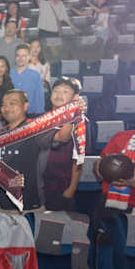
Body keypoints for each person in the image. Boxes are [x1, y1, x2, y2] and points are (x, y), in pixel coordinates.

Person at [0, 90, 46, 211]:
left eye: (12, 103)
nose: (7, 107)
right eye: (3, 104)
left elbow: (61, 137)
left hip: (27, 203)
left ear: (25, 106)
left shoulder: (35, 129)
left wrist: (72, 112)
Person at [43, 78, 86, 211]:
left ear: (75, 97)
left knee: (53, 228)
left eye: (65, 92)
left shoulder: (81, 123)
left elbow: (79, 159)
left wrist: (71, 188)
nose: (59, 95)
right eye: (56, 90)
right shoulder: (40, 120)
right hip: (38, 184)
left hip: (61, 186)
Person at [9, 45, 45, 115]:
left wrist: (39, 115)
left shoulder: (35, 75)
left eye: (24, 56)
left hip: (30, 114)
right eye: (18, 55)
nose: (20, 58)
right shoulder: (9, 74)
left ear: (29, 57)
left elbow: (39, 98)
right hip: (11, 115)